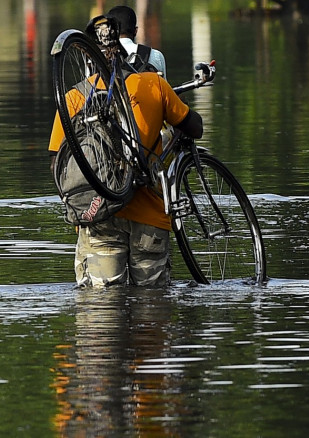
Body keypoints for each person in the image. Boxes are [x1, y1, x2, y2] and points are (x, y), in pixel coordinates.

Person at [48, 16, 203, 288]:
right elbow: (195, 127)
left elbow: (57, 164)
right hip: (150, 218)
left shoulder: (73, 97)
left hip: (99, 215)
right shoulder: (154, 85)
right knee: (151, 310)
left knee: (101, 313)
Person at [107, 5, 167, 77]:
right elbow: (164, 86)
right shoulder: (156, 55)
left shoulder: (97, 58)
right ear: (135, 31)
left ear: (109, 31)